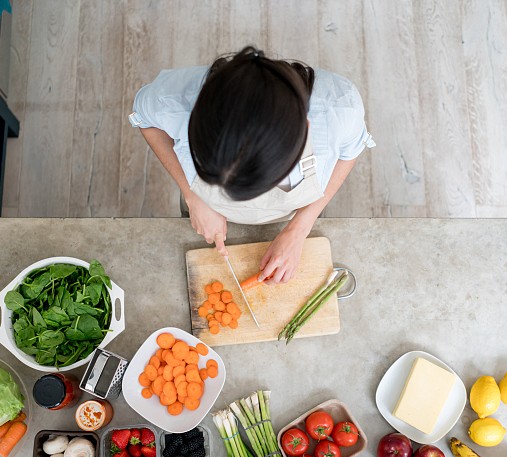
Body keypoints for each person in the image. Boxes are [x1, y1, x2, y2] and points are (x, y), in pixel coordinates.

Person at [128, 46, 374, 284]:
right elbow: (145, 119)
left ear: (305, 130)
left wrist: (299, 229)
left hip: (295, 214)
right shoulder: (173, 99)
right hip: (203, 212)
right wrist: (193, 196)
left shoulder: (339, 109)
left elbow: (349, 153)